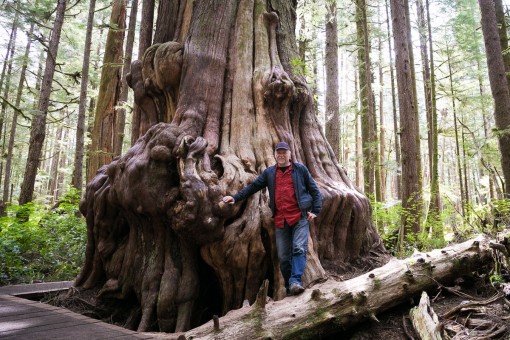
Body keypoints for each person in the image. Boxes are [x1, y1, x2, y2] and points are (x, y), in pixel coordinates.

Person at [222, 141, 322, 295]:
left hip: (299, 217)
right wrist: (235, 198)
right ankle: (290, 286)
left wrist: (315, 210)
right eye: (278, 152)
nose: (281, 155)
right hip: (281, 220)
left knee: (299, 248)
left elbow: (315, 190)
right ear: (275, 155)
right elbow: (253, 187)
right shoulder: (269, 173)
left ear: (289, 154)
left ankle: (295, 281)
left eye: (284, 152)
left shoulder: (300, 170)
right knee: (282, 256)